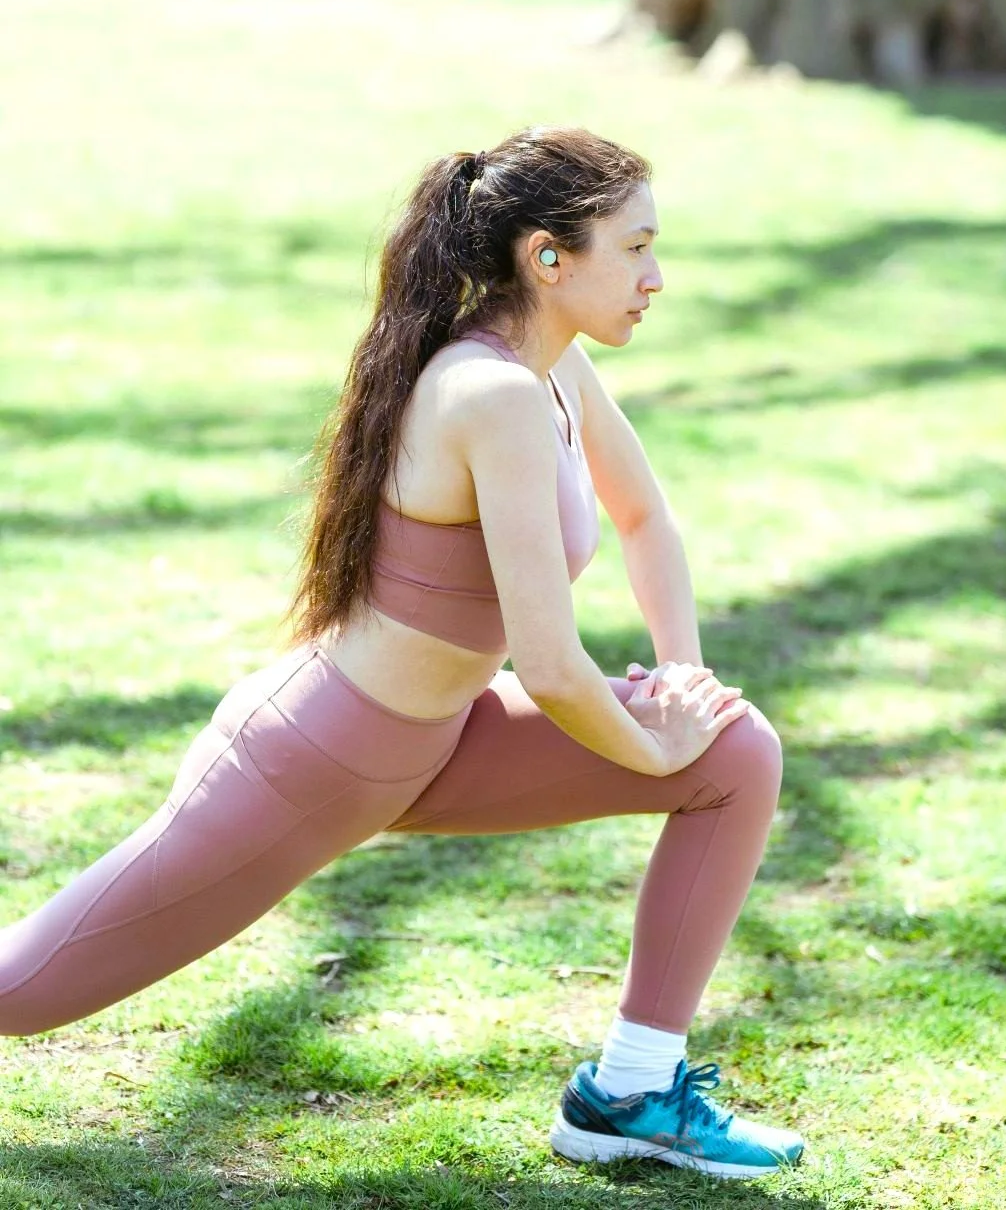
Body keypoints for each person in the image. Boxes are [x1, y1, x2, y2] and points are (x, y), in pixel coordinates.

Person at [0, 126, 805, 1179]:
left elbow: (646, 520)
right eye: (638, 248)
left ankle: (634, 1091)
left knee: (735, 756)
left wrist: (685, 683)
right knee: (22, 995)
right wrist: (653, 747)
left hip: (441, 739)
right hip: (314, 761)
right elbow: (554, 669)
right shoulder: (494, 394)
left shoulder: (553, 370)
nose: (659, 277)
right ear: (549, 259)